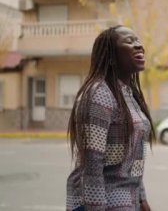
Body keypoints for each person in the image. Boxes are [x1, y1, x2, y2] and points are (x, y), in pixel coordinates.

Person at [66, 26, 155, 211]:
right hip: (99, 201)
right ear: (111, 56)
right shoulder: (99, 94)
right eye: (129, 42)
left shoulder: (128, 93)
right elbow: (92, 163)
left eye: (138, 41)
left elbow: (135, 158)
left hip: (128, 198)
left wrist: (142, 199)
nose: (139, 46)